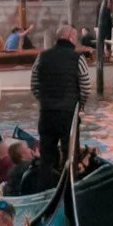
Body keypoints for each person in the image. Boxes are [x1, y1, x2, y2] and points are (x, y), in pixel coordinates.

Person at [29, 24, 91, 174]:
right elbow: (86, 87)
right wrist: (80, 105)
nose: (76, 41)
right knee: (70, 154)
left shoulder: (42, 56)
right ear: (69, 37)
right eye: (75, 37)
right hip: (68, 114)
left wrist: (44, 99)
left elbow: (34, 84)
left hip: (47, 113)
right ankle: (71, 182)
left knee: (47, 157)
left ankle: (45, 185)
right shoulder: (78, 58)